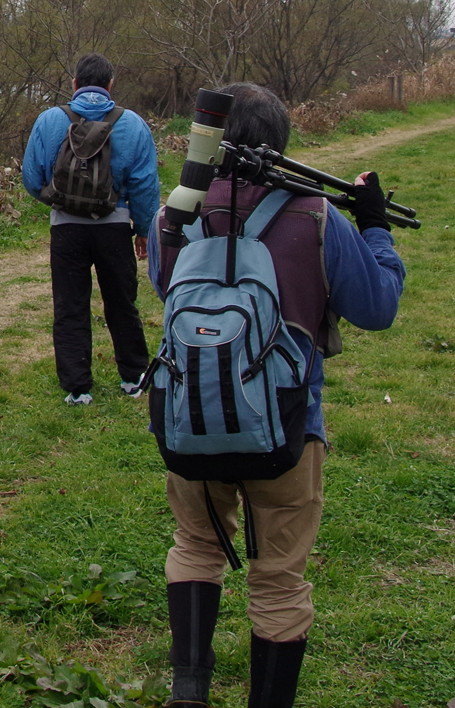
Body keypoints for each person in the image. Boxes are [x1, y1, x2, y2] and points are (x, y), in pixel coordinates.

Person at [147, 83, 402, 708]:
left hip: (192, 420)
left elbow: (166, 289)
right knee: (280, 581)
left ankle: (189, 691)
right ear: (281, 142)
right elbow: (378, 307)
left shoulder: (175, 211)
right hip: (288, 425)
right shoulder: (315, 215)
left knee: (195, 548)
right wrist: (375, 227)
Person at [21, 52, 160, 405]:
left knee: (70, 305)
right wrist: (143, 229)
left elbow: (31, 177)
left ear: (75, 84)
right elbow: (145, 184)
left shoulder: (50, 120)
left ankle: (78, 388)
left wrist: (59, 201)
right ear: (111, 85)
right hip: (114, 227)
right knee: (122, 302)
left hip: (66, 228)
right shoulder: (133, 124)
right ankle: (133, 377)